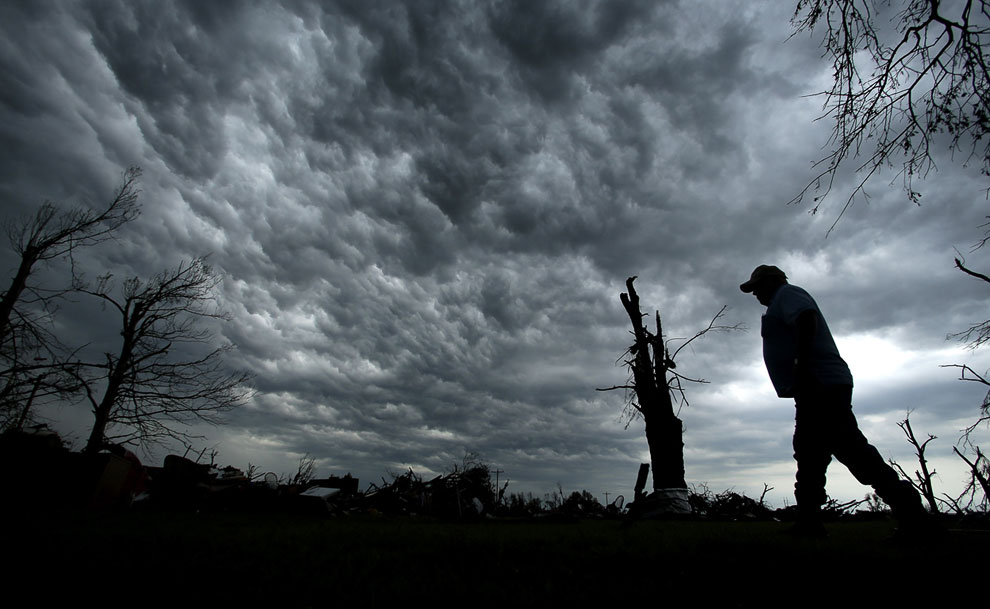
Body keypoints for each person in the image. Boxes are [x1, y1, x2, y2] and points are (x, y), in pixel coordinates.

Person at [740, 265, 926, 536]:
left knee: (850, 449)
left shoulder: (788, 294)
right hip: (813, 385)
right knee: (810, 453)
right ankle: (809, 523)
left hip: (820, 384)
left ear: (772, 281)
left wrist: (801, 364)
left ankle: (913, 515)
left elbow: (806, 319)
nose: (755, 294)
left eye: (758, 287)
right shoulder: (780, 302)